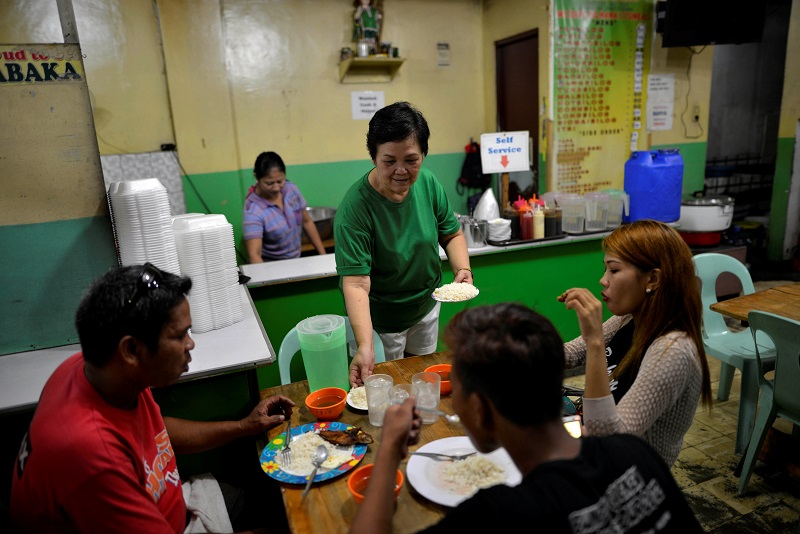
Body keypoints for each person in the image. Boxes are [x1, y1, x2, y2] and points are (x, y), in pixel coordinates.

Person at [351, 303, 703, 533]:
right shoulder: (634, 453)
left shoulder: (500, 516)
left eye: (455, 391)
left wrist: (388, 453)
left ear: (480, 409)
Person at [10, 263, 292, 533]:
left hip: (174, 503)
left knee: (277, 495)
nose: (191, 344)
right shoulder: (92, 456)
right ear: (132, 350)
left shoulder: (99, 371)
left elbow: (156, 432)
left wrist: (245, 426)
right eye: (180, 335)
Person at [334, 101, 473, 386]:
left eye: (411, 160)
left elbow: (452, 234)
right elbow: (356, 283)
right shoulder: (355, 209)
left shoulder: (429, 184)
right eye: (389, 161)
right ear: (373, 158)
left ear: (423, 154)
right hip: (381, 322)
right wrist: (365, 344)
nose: (401, 170)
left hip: (426, 306)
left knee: (423, 383)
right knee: (390, 392)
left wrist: (463, 269)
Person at [558, 219, 712, 466]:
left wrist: (595, 341)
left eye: (614, 270)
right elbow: (570, 354)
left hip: (629, 470)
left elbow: (608, 442)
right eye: (605, 269)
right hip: (595, 443)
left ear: (652, 280)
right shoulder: (629, 318)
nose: (603, 280)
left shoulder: (673, 350)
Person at [243, 151, 327, 263]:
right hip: (271, 266)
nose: (276, 188)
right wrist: (265, 279)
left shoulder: (291, 190)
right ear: (257, 178)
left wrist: (324, 257)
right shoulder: (253, 210)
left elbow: (306, 222)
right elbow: (255, 255)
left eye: (280, 181)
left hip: (296, 259)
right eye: (269, 183)